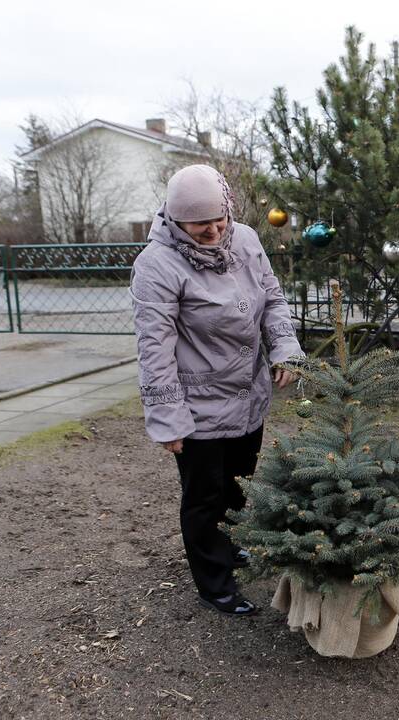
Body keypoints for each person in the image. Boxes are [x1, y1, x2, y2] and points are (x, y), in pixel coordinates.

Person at [130, 164, 303, 616]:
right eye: (199, 223)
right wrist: (167, 418)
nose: (212, 230)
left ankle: (234, 547)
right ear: (175, 220)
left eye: (219, 219)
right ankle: (214, 582)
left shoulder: (245, 239)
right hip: (198, 405)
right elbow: (155, 348)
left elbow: (273, 297)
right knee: (205, 497)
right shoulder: (156, 265)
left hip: (247, 394)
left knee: (239, 485)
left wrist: (284, 348)